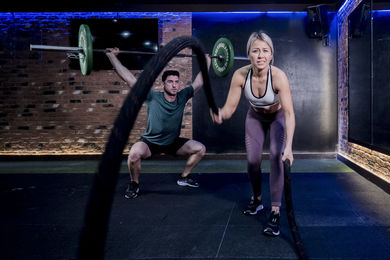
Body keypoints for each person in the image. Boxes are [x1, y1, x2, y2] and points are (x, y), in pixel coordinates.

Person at [210, 31, 295, 237]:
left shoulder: (278, 77)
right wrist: (220, 114)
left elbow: (290, 113)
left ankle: (275, 212)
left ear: (271, 54)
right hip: (254, 117)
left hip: (277, 118)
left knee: (276, 155)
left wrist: (289, 148)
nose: (260, 55)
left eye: (265, 51)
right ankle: (257, 200)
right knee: (252, 161)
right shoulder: (240, 75)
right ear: (248, 54)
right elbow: (229, 109)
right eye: (255, 51)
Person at [106, 47, 211, 199]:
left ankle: (183, 177)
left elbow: (199, 82)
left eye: (176, 82)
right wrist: (112, 57)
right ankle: (134, 184)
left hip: (172, 142)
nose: (174, 85)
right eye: (170, 82)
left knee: (200, 149)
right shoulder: (152, 96)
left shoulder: (182, 96)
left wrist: (206, 62)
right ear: (164, 84)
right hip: (150, 142)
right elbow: (129, 79)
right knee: (134, 154)